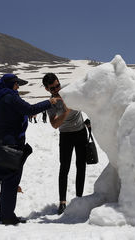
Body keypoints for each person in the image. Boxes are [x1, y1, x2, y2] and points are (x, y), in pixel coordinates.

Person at [0, 73, 59, 225]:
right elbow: (30, 109)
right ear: (10, 85)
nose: (18, 87)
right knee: (12, 181)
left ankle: (5, 213)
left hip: (2, 145)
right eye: (16, 84)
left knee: (7, 180)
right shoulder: (11, 98)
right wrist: (49, 102)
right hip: (13, 145)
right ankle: (8, 216)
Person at [42, 73, 88, 215]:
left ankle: (79, 199)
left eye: (57, 85)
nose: (56, 89)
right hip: (66, 135)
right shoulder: (51, 103)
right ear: (47, 89)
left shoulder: (69, 90)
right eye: (52, 88)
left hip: (81, 132)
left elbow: (87, 99)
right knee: (64, 168)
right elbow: (55, 124)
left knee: (81, 166)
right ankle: (62, 202)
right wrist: (66, 111)